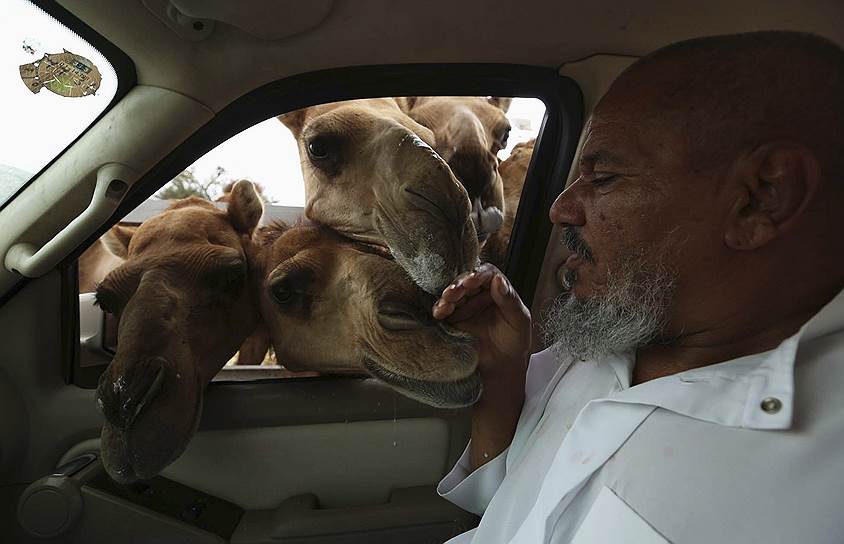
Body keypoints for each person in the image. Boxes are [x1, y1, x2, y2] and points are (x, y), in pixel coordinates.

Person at [432, 31, 844, 543]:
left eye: (602, 178)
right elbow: (508, 511)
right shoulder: (609, 336)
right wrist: (501, 379)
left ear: (762, 197)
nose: (560, 209)